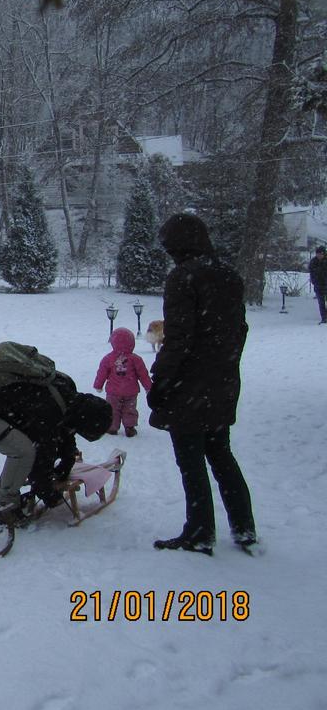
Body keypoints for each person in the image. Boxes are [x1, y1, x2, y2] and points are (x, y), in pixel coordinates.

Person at [148, 213, 257, 556]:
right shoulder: (227, 274)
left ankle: (199, 532)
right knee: (221, 454)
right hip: (221, 380)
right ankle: (243, 527)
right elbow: (240, 330)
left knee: (191, 460)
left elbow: (178, 337)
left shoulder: (184, 277)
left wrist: (162, 378)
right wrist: (223, 366)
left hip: (189, 384)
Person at [0, 343, 111, 525]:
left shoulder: (67, 392)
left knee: (27, 449)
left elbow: (65, 432)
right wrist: (49, 494)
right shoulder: (47, 412)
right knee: (22, 451)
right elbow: (41, 460)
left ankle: (8, 489)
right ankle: (4, 505)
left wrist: (66, 465)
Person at [93, 327, 153, 437]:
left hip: (113, 391)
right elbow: (143, 375)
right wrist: (148, 387)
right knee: (129, 409)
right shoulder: (136, 359)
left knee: (112, 410)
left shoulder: (108, 359)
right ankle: (130, 427)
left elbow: (102, 373)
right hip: (130, 390)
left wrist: (98, 385)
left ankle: (112, 427)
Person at [310, 244, 327, 324]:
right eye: (318, 254)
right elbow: (312, 273)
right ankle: (324, 318)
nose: (319, 255)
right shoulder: (313, 262)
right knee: (321, 302)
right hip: (318, 285)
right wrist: (314, 281)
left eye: (321, 254)